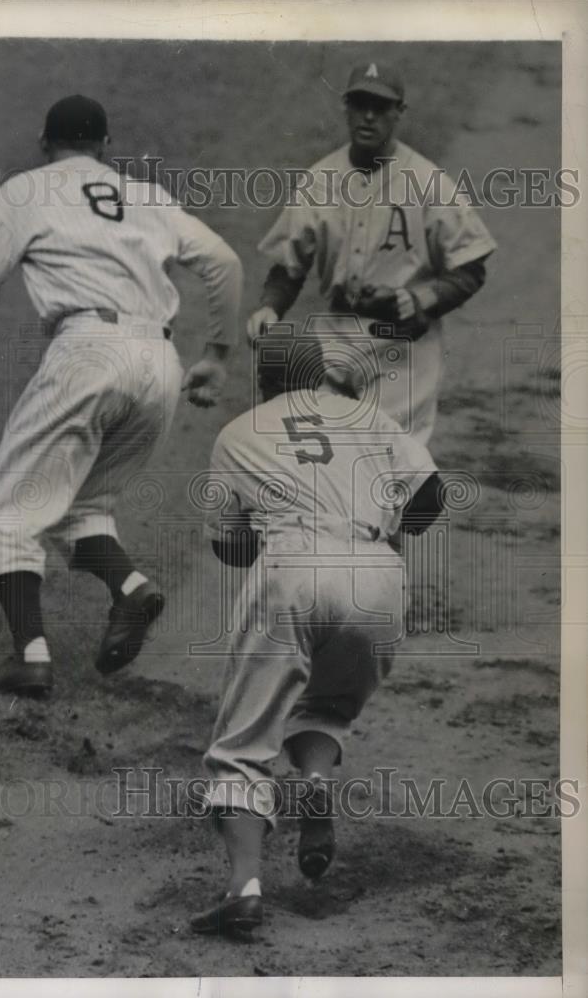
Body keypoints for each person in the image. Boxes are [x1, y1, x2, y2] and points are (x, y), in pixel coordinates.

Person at [0, 95, 242, 696]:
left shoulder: (25, 190)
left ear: (42, 143)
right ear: (106, 147)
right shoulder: (147, 197)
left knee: (6, 511)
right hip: (159, 364)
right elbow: (225, 262)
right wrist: (217, 356)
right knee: (77, 505)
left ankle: (30, 658)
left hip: (88, 353)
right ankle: (132, 590)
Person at [190, 330, 445, 939]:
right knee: (326, 703)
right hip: (378, 577)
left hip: (293, 568)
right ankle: (314, 780)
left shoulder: (239, 433)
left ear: (264, 382)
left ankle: (244, 888)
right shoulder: (370, 415)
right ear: (322, 375)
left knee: (243, 743)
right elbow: (433, 494)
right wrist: (377, 533)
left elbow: (228, 546)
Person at [247, 61, 497, 445]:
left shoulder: (429, 183)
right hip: (334, 335)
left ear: (399, 112)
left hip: (404, 345)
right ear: (345, 107)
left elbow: (470, 267)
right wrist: (269, 307)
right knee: (315, 459)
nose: (368, 116)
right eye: (359, 103)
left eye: (380, 107)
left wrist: (419, 298)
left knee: (389, 469)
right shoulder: (320, 179)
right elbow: (288, 264)